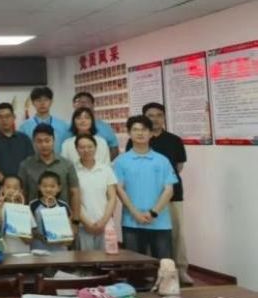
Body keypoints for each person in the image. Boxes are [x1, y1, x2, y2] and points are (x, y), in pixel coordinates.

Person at [140, 102, 191, 283]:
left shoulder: (174, 140)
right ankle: (150, 270)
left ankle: (180, 269)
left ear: (164, 117)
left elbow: (179, 166)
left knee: (176, 233)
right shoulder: (139, 139)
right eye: (150, 115)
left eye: (159, 115)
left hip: (173, 194)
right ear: (144, 118)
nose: (155, 119)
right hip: (147, 195)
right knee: (149, 234)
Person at [114, 115, 175, 260]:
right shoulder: (121, 161)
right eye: (135, 129)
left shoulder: (162, 160)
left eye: (144, 129)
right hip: (131, 221)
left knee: (163, 264)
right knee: (134, 265)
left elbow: (169, 190)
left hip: (160, 222)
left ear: (151, 133)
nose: (140, 133)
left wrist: (153, 213)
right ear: (129, 133)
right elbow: (119, 189)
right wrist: (135, 213)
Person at [17, 124, 80, 221]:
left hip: (63, 220)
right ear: (34, 143)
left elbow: (74, 192)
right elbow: (22, 193)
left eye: (47, 141)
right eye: (39, 141)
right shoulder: (25, 165)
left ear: (53, 141)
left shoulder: (67, 164)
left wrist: (75, 220)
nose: (43, 145)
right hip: (35, 221)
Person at [74, 134, 118, 251]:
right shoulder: (72, 170)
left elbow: (112, 197)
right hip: (83, 226)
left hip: (106, 225)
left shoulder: (106, 169)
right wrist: (87, 223)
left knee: (107, 260)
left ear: (95, 147)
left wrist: (103, 221)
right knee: (85, 260)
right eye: (82, 147)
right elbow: (74, 200)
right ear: (76, 149)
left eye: (90, 146)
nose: (86, 150)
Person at [0, 102, 34, 197]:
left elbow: (30, 164)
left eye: (7, 116)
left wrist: (17, 185)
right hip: (0, 189)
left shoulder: (25, 139)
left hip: (22, 189)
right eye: (0, 117)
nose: (4, 120)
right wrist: (7, 184)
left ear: (14, 117)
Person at [29, 171, 73, 252]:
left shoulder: (63, 206)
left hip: (60, 250)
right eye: (44, 186)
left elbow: (69, 230)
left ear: (59, 188)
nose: (48, 189)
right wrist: (41, 237)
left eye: (52, 186)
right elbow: (30, 229)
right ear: (39, 187)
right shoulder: (33, 205)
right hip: (39, 248)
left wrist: (65, 239)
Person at [19, 87, 71, 153]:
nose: (42, 103)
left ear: (51, 102)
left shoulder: (63, 126)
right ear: (33, 103)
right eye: (38, 100)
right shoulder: (24, 127)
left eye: (46, 100)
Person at [73, 91, 119, 160]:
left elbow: (114, 148)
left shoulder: (105, 128)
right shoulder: (69, 130)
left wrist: (102, 163)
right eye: (79, 102)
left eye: (86, 102)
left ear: (93, 105)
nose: (83, 105)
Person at [0, 175, 35, 253]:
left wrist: (16, 223)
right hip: (4, 254)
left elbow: (29, 240)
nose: (11, 190)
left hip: (23, 254)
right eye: (8, 187)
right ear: (1, 189)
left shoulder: (25, 210)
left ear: (21, 191)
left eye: (15, 188)